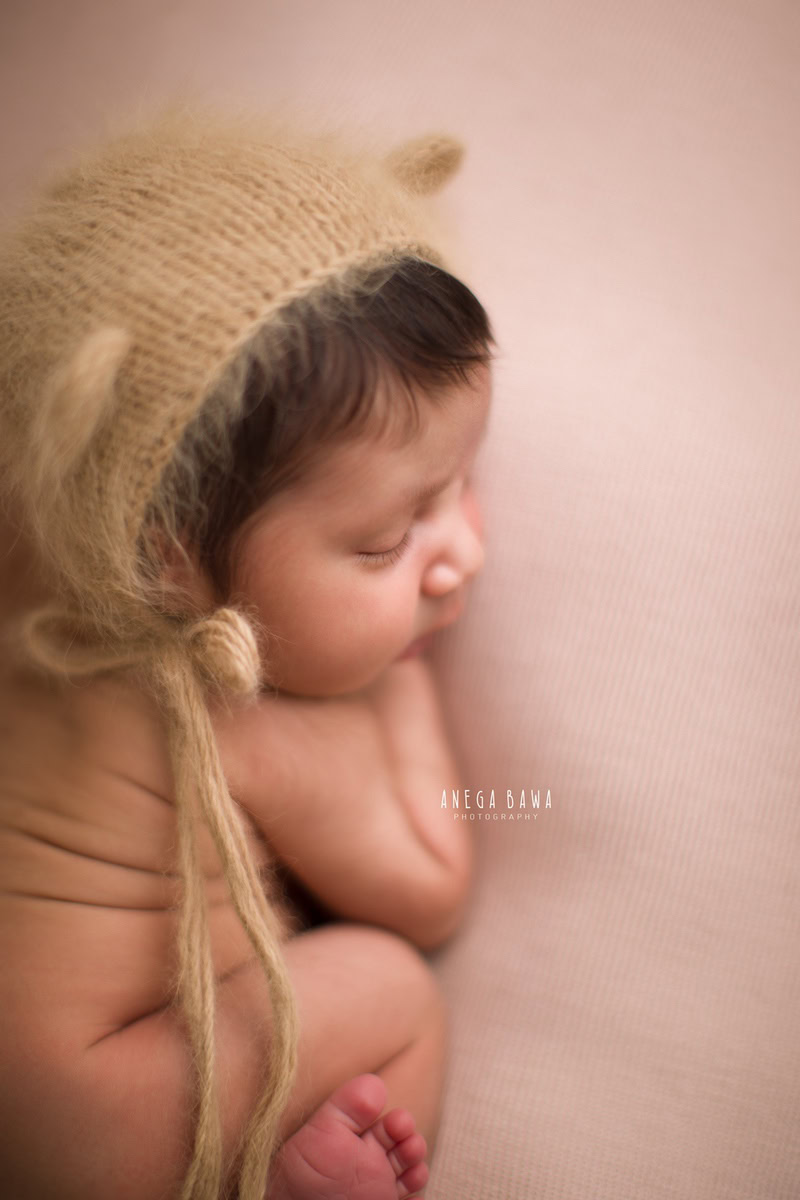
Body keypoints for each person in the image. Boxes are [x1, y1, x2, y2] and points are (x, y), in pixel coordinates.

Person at [0, 103, 495, 1200]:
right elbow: (427, 885)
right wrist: (403, 686)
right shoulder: (227, 709)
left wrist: (381, 572)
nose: (458, 550)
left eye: (461, 483)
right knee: (391, 984)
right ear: (170, 564)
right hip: (89, 1111)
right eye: (384, 542)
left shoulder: (42, 550)